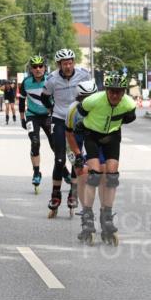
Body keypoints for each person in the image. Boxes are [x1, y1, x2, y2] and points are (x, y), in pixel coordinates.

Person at [74, 73, 137, 245]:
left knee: (112, 176)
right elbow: (80, 111)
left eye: (119, 92)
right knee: (94, 175)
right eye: (112, 91)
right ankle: (87, 217)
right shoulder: (93, 101)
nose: (115, 95)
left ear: (124, 92)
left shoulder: (129, 104)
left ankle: (106, 217)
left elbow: (130, 117)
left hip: (112, 137)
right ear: (106, 90)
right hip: (92, 135)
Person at [42, 48, 91, 218]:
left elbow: (91, 93)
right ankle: (56, 195)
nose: (68, 66)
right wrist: (50, 109)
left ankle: (73, 192)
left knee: (76, 158)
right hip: (59, 119)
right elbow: (44, 96)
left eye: (70, 63)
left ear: (74, 63)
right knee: (60, 158)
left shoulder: (84, 74)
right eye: (64, 64)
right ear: (59, 65)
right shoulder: (52, 79)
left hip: (77, 120)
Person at [64, 78, 99, 219]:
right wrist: (78, 155)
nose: (89, 102)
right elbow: (69, 134)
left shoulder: (100, 107)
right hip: (74, 139)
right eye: (85, 99)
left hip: (91, 138)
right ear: (79, 99)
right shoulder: (73, 109)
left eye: (93, 98)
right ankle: (86, 210)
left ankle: (88, 204)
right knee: (82, 171)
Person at [18, 56, 53, 192]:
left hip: (48, 116)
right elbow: (21, 101)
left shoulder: (50, 80)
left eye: (40, 66)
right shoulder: (26, 82)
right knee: (35, 142)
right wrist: (22, 119)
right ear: (31, 69)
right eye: (35, 67)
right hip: (32, 116)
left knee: (55, 145)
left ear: (44, 67)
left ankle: (64, 171)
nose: (38, 69)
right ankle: (36, 172)